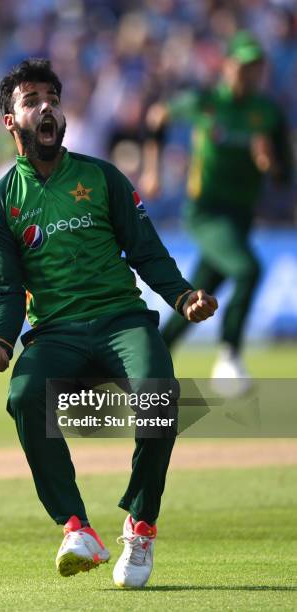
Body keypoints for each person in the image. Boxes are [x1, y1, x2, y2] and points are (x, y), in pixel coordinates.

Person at [0, 58, 217, 588]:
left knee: (161, 396)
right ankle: (76, 528)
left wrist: (183, 296)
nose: (46, 107)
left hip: (121, 319)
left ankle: (142, 525)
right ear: (10, 121)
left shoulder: (102, 176)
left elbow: (147, 252)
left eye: (53, 100)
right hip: (54, 332)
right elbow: (5, 289)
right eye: (32, 100)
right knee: (23, 396)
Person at [141, 31, 293, 393]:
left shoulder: (268, 113)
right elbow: (158, 115)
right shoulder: (205, 101)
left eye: (255, 67)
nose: (248, 74)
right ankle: (229, 357)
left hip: (240, 216)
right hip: (206, 212)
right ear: (227, 65)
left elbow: (285, 174)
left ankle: (149, 363)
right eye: (242, 66)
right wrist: (152, 169)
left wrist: (269, 164)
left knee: (196, 296)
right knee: (249, 269)